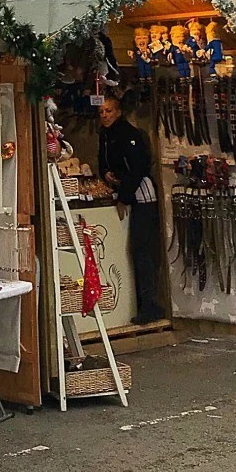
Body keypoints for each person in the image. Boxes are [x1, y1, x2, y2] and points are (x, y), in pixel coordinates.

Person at [98, 95, 165, 325]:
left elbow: (138, 167)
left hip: (142, 196)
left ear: (117, 112)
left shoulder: (127, 134)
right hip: (125, 191)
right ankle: (144, 302)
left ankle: (149, 304)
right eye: (101, 112)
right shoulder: (105, 136)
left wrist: (124, 197)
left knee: (142, 250)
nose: (104, 115)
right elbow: (106, 161)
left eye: (108, 111)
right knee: (137, 251)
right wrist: (105, 173)